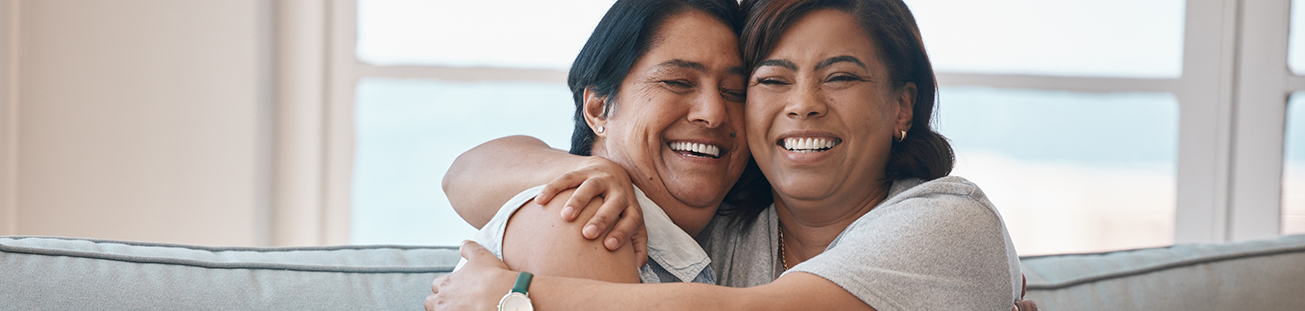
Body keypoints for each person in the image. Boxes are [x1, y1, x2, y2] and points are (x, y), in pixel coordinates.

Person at [430, 0, 1032, 310]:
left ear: (903, 108)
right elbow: (463, 173)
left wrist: (516, 296)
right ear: (597, 107)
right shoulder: (594, 214)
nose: (804, 105)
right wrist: (584, 168)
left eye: (841, 77)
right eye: (770, 81)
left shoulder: (948, 220)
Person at [443, 0, 757, 286]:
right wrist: (595, 169)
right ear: (598, 108)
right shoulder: (583, 214)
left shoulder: (742, 231)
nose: (714, 113)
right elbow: (461, 175)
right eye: (677, 82)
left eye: (734, 91)